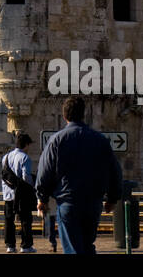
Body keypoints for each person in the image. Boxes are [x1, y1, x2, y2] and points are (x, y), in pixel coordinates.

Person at [35, 97, 122, 255]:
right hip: (93, 203)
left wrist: (42, 198)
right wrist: (112, 198)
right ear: (84, 114)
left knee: (74, 248)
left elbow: (45, 171)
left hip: (69, 202)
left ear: (64, 116)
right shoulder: (100, 140)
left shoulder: (57, 140)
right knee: (87, 246)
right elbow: (114, 171)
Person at [0, 131, 36, 253]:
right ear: (26, 144)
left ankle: (10, 245)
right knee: (25, 220)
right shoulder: (25, 157)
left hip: (8, 194)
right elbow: (26, 177)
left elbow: (4, 175)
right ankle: (26, 245)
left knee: (9, 220)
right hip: (21, 194)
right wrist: (32, 187)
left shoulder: (5, 157)